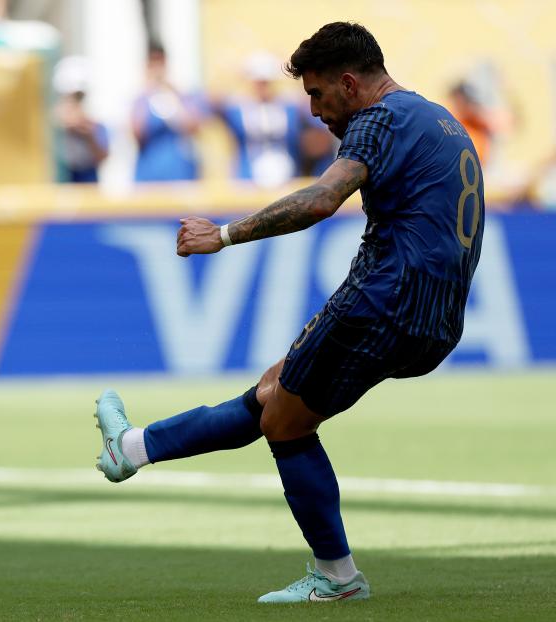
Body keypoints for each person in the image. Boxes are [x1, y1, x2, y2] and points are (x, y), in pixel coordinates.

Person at [92, 22, 484, 603]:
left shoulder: (378, 119)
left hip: (383, 300)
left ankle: (338, 577)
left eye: (318, 95)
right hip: (438, 318)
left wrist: (224, 234)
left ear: (349, 83)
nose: (315, 112)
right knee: (275, 391)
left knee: (286, 422)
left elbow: (322, 199)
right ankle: (131, 448)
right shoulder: (437, 119)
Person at [214, 52, 334, 187]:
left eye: (266, 82)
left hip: (288, 175)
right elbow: (214, 101)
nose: (262, 86)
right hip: (247, 177)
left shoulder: (290, 107)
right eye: (258, 82)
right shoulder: (236, 109)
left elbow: (320, 129)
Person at [131, 42, 204, 182]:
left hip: (180, 172)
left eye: (160, 63)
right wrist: (149, 91)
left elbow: (195, 128)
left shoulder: (181, 95)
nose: (157, 69)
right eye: (153, 64)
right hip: (150, 173)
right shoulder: (140, 100)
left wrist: (173, 97)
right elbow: (137, 134)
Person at [52, 56, 109, 184]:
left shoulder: (93, 122)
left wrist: (89, 135)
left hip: (87, 179)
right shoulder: (52, 119)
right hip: (62, 178)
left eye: (78, 96)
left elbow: (103, 156)